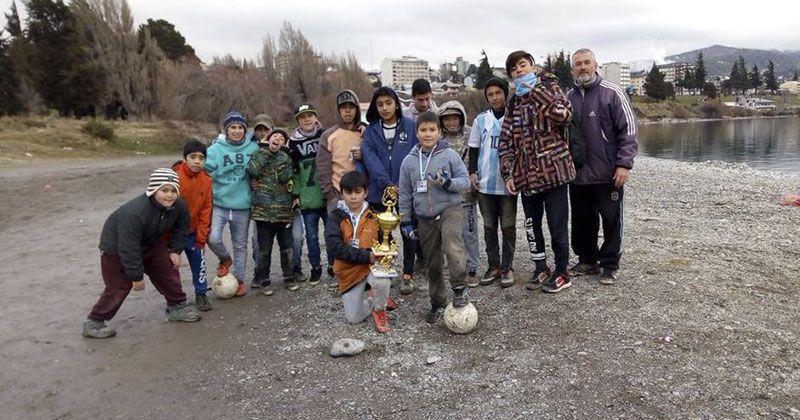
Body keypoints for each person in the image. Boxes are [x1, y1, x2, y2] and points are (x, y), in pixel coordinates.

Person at [82, 168, 199, 338]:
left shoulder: (179, 206)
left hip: (150, 241)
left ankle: (177, 306)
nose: (170, 195)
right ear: (153, 190)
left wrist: (175, 250)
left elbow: (182, 228)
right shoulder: (135, 212)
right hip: (115, 247)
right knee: (119, 285)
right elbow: (127, 246)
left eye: (174, 190)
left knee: (167, 269)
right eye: (164, 190)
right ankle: (94, 321)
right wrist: (136, 276)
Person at [498, 50, 575, 293]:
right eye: (514, 69)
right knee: (532, 225)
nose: (519, 70)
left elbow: (565, 115)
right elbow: (506, 140)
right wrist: (508, 173)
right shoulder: (513, 103)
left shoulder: (550, 88)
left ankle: (562, 271)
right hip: (526, 177)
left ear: (533, 66)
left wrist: (537, 93)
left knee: (557, 225)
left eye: (522, 65)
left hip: (554, 173)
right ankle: (540, 267)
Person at [567, 48, 638, 285]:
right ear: (572, 69)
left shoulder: (612, 92)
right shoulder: (567, 98)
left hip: (608, 173)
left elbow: (628, 130)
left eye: (587, 62)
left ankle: (609, 264)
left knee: (610, 219)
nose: (583, 67)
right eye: (578, 64)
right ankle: (587, 259)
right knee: (581, 219)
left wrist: (624, 164)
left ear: (595, 65)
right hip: (577, 174)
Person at [399, 111, 471, 323]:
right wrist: (405, 220)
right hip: (424, 216)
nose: (428, 134)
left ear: (439, 132)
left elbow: (465, 181)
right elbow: (404, 192)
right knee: (432, 261)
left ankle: (459, 287)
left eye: (432, 130)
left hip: (450, 209)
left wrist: (449, 183)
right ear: (417, 132)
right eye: (423, 130)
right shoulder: (409, 162)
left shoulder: (449, 155)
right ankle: (438, 301)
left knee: (452, 245)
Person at [360, 86, 419, 294]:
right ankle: (388, 267)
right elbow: (369, 158)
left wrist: (402, 182)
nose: (384, 108)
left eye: (388, 103)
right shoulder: (371, 130)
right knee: (382, 232)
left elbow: (415, 154)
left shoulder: (410, 127)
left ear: (396, 104)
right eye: (380, 104)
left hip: (405, 189)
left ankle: (408, 274)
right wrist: (386, 182)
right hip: (379, 190)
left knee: (408, 230)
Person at [325, 171, 397, 333]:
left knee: (382, 278)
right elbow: (334, 247)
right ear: (341, 193)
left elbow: (387, 245)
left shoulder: (376, 216)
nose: (353, 197)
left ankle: (379, 309)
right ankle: (374, 299)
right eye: (349, 192)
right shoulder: (335, 217)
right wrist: (367, 256)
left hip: (371, 269)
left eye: (358, 192)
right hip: (349, 272)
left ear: (366, 192)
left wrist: (388, 257)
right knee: (353, 319)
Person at [468, 77, 518, 287]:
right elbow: (474, 149)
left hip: (507, 184)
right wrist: (472, 172)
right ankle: (493, 265)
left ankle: (507, 267)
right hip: (485, 185)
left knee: (508, 226)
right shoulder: (481, 120)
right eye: (490, 94)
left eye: (498, 93)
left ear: (505, 94)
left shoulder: (515, 118)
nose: (495, 97)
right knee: (489, 227)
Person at [204, 111, 259, 297]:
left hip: (242, 205)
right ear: (226, 130)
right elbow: (204, 174)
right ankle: (225, 259)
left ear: (245, 130)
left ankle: (240, 280)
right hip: (220, 204)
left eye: (240, 127)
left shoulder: (253, 149)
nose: (236, 131)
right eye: (232, 127)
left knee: (240, 245)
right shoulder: (214, 150)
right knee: (213, 237)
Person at [247, 128, 298, 293]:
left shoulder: (286, 158)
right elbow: (253, 170)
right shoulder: (259, 154)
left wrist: (282, 156)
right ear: (268, 139)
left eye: (282, 138)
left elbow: (286, 177)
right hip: (263, 212)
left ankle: (289, 277)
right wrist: (266, 152)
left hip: (283, 212)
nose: (278, 139)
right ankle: (263, 280)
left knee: (287, 248)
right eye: (274, 136)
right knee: (264, 249)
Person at [288, 103, 332, 286]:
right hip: (308, 199)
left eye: (309, 115)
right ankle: (315, 268)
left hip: (327, 195)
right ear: (298, 121)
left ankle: (334, 266)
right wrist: (296, 193)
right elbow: (294, 172)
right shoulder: (293, 143)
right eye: (302, 117)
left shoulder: (326, 136)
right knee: (312, 237)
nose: (307, 119)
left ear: (316, 117)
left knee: (331, 234)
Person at [437, 100, 479, 286]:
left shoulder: (471, 134)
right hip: (445, 197)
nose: (451, 122)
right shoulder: (437, 139)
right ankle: (454, 266)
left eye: (455, 117)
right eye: (447, 118)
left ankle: (471, 268)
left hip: (467, 194)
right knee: (450, 235)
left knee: (469, 232)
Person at [171, 139, 213, 311]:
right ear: (184, 158)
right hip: (173, 234)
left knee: (199, 264)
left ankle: (201, 294)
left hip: (194, 232)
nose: (197, 161)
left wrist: (201, 236)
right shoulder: (174, 176)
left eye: (201, 158)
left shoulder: (206, 180)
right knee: (171, 267)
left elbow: (206, 209)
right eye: (193, 157)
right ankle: (174, 300)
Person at [317, 90, 365, 213]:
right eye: (343, 107)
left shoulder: (366, 132)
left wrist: (363, 155)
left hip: (364, 196)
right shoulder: (328, 136)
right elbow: (323, 169)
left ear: (357, 109)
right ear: (338, 111)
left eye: (351, 107)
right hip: (338, 197)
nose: (347, 111)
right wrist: (330, 196)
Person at [248, 114, 275, 276]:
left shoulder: (281, 144)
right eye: (259, 129)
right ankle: (260, 272)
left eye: (266, 129)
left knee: (292, 240)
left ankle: (293, 271)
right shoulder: (249, 148)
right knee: (257, 242)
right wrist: (251, 181)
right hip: (258, 204)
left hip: (280, 202)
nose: (263, 133)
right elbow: (248, 169)